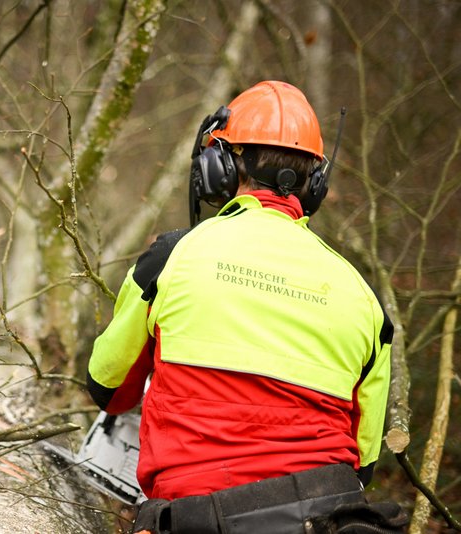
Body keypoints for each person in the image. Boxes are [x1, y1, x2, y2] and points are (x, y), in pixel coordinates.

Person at [86, 81, 406, 533]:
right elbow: (365, 462)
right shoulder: (364, 298)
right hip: (329, 516)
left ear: (217, 166)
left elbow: (108, 386)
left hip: (199, 517)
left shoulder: (173, 257)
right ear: (315, 181)